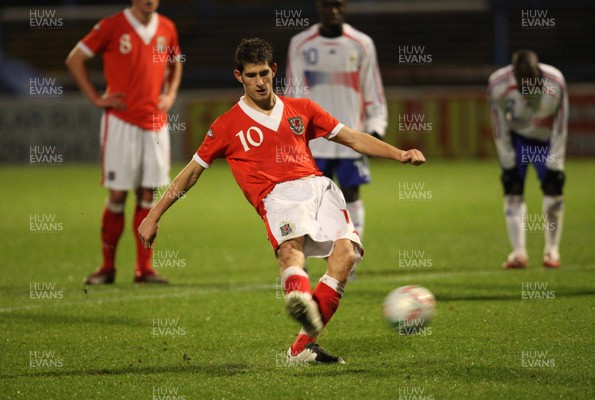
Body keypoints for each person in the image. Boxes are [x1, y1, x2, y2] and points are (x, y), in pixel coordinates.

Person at [138, 38, 424, 364]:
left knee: (346, 256)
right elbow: (190, 173)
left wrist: (399, 153)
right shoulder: (226, 125)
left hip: (319, 187)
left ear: (274, 70)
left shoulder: (301, 109)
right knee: (291, 250)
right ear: (238, 77)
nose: (259, 82)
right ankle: (298, 296)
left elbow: (352, 137)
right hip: (277, 196)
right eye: (251, 76)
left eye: (264, 73)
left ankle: (302, 347)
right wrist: (154, 215)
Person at [65, 0, 182, 284]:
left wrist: (170, 94)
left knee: (148, 194)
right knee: (117, 196)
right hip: (121, 122)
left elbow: (175, 63)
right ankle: (107, 268)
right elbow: (74, 59)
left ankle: (144, 269)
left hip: (155, 122)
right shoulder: (112, 26)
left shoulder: (167, 27)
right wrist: (96, 98)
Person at [285, 0, 387, 273]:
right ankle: (300, 260)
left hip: (349, 136)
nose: (333, 11)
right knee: (308, 201)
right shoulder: (301, 43)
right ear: (319, 7)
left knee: (351, 196)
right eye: (328, 5)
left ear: (345, 8)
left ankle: (349, 259)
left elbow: (372, 87)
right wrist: (292, 132)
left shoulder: (361, 43)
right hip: (313, 141)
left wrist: (376, 125)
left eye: (338, 5)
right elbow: (293, 90)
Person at [488, 50, 568, 269]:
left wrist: (556, 159)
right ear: (514, 76)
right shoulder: (498, 84)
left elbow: (561, 123)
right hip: (517, 139)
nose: (528, 91)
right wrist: (507, 158)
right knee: (512, 188)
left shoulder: (556, 81)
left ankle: (552, 251)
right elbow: (499, 125)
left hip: (545, 139)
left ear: (538, 74)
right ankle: (518, 252)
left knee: (554, 186)